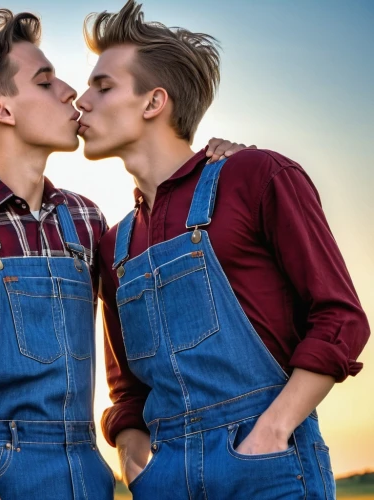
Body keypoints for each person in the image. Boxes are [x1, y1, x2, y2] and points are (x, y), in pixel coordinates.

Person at [0, 8, 244, 500]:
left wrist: (216, 166)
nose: (69, 93)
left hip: (88, 480)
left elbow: (140, 343)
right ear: (2, 110)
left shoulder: (86, 222)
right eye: (44, 81)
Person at [76, 1, 371, 498]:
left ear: (154, 102)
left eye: (103, 87)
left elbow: (340, 319)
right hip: (164, 476)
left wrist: (272, 433)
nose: (81, 101)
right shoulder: (113, 245)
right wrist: (134, 460)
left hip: (267, 468)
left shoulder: (255, 177)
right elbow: (127, 387)